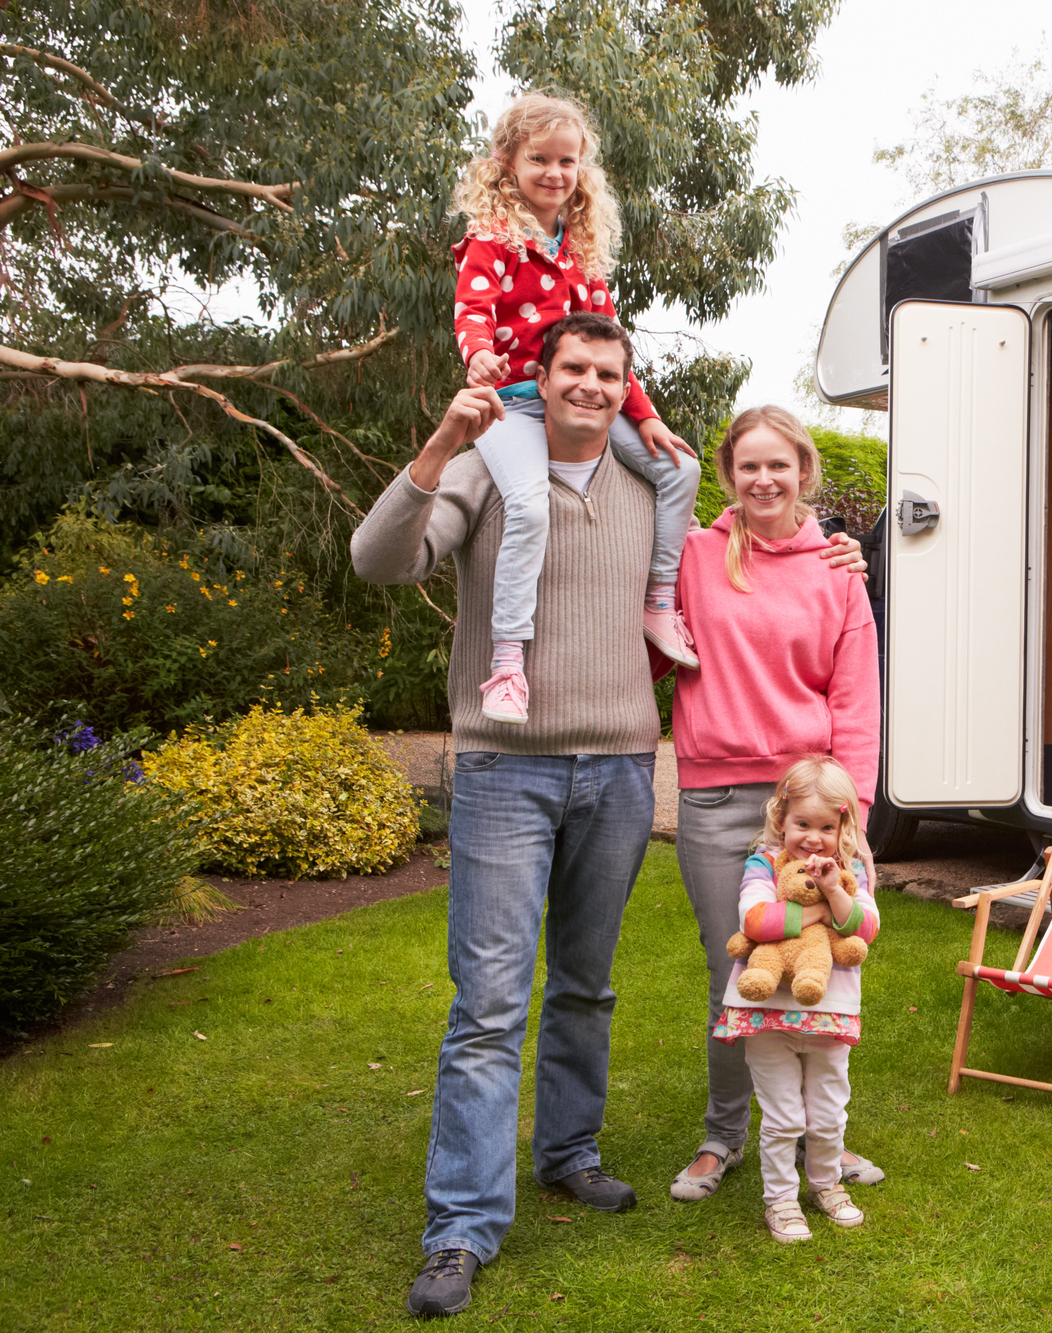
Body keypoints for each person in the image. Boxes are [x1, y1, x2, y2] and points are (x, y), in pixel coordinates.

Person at [349, 318, 865, 1319]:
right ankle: (460, 1226)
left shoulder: (650, 483)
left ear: (625, 388)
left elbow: (753, 551)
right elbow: (380, 562)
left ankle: (569, 1154)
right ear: (540, 380)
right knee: (490, 1002)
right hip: (505, 767)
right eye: (571, 369)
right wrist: (438, 447)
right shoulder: (489, 467)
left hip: (624, 769)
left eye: (607, 373)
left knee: (585, 986)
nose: (588, 384)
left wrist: (834, 548)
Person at [667, 405, 886, 1205]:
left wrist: (850, 815)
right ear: (727, 476)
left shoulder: (837, 569)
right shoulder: (692, 555)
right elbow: (655, 648)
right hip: (717, 794)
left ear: (805, 472)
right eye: (748, 466)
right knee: (739, 966)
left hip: (814, 806)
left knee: (825, 953)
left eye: (779, 465)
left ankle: (818, 1137)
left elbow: (857, 699)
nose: (764, 479)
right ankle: (725, 1136)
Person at [449, 90, 703, 726]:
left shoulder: (580, 252)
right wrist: (478, 355)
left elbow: (611, 345)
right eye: (539, 159)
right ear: (508, 161)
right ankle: (507, 665)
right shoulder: (493, 241)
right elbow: (471, 313)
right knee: (531, 507)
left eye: (568, 161)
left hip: (587, 400)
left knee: (681, 469)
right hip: (516, 404)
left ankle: (656, 601)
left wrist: (643, 414)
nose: (555, 174)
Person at [715, 758, 879, 1242]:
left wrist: (832, 890)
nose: (813, 837)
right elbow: (756, 923)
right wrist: (823, 914)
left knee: (828, 1114)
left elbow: (865, 929)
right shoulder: (764, 864)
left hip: (830, 1013)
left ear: (843, 825)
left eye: (826, 826)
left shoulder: (849, 872)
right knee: (784, 1116)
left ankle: (825, 1185)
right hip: (767, 1015)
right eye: (802, 824)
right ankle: (781, 1200)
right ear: (781, 819)